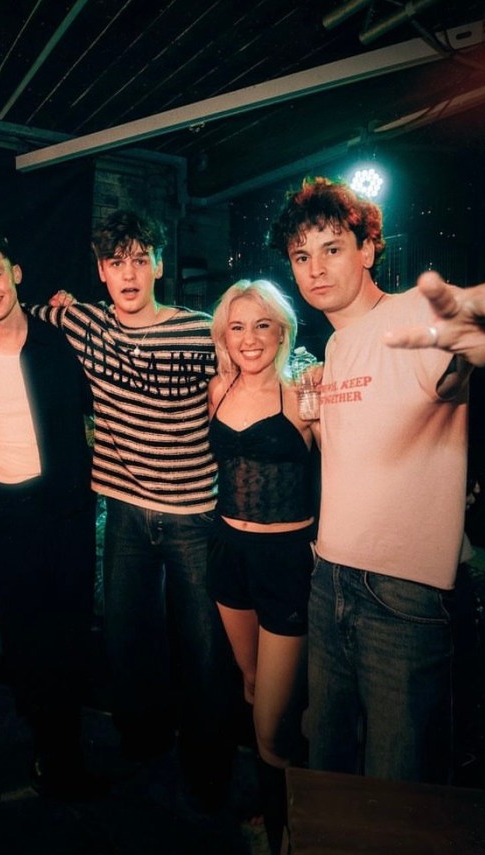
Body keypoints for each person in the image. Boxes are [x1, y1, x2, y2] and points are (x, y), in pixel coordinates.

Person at [268, 176, 485, 784]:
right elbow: (355, 454)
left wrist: (481, 321)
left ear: (368, 248)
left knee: (397, 787)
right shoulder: (336, 348)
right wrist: (313, 413)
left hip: (402, 595)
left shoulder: (414, 314)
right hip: (329, 575)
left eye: (332, 248)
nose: (315, 269)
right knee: (329, 768)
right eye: (301, 256)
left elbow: (452, 352)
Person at [34, 210, 236, 811]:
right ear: (101, 271)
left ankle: (208, 765)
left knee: (204, 649)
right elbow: (13, 316)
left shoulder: (200, 331)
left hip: (194, 513)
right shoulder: (84, 321)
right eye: (116, 262)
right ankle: (144, 744)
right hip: (124, 511)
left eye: (139, 260)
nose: (128, 273)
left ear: (158, 265)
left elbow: (261, 364)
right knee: (127, 641)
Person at [0, 225, 104, 800]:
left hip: (64, 508)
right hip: (4, 511)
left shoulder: (61, 339)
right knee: (23, 635)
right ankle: (44, 739)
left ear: (15, 274)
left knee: (70, 630)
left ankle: (65, 745)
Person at [206, 279, 316, 853]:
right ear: (224, 335)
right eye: (238, 326)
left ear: (282, 331)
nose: (249, 338)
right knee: (250, 688)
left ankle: (284, 833)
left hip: (286, 563)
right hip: (228, 556)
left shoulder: (302, 393)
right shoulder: (217, 388)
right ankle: (272, 808)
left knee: (275, 720)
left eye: (262, 325)